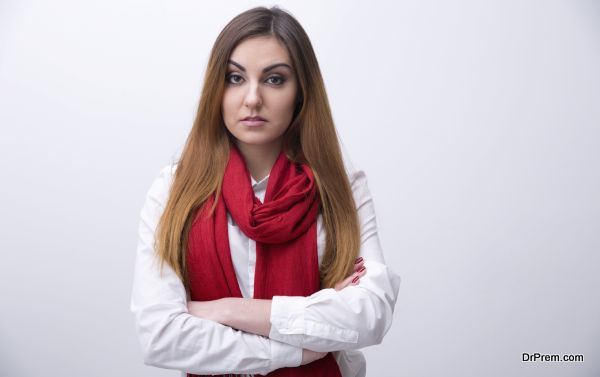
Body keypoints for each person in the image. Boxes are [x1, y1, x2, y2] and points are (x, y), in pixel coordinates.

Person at [130, 5, 401, 377]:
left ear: (301, 92)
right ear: (216, 89)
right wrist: (294, 350)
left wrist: (227, 310)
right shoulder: (174, 190)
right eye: (235, 78)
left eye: (274, 79)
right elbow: (160, 336)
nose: (252, 98)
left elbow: (371, 314)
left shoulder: (342, 189)